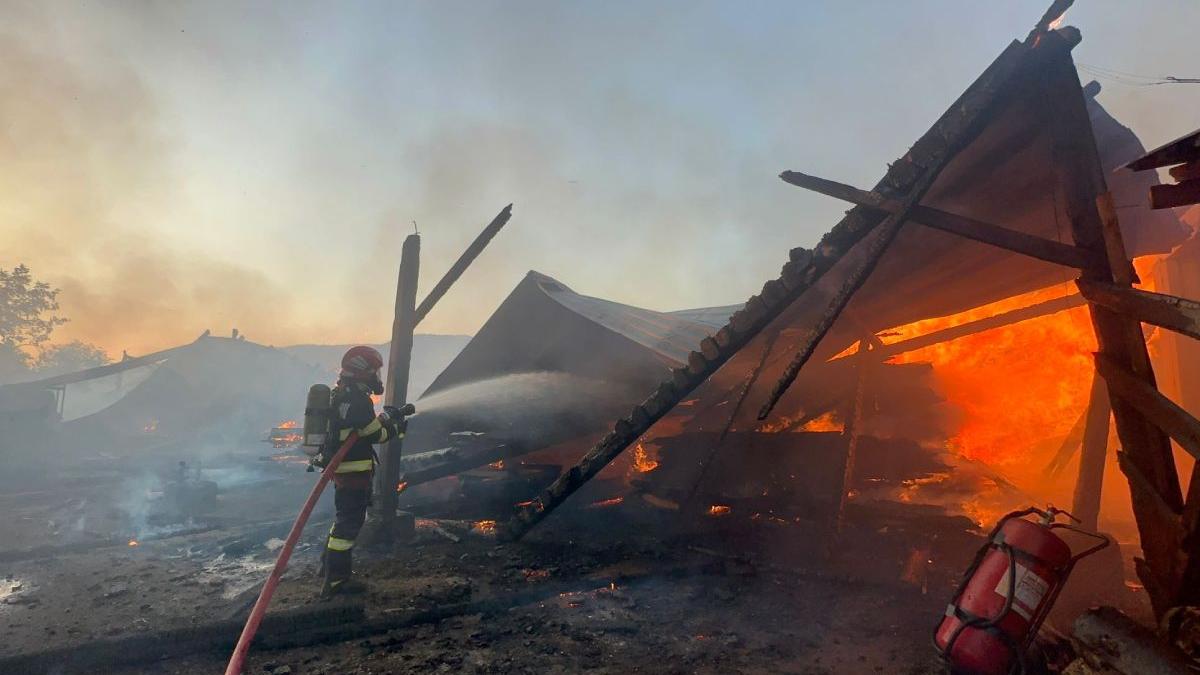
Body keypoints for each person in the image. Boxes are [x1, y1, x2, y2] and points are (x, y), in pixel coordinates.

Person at [315, 345, 403, 598]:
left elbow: (363, 427)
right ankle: (336, 582)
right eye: (375, 370)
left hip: (345, 471)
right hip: (353, 473)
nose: (377, 376)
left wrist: (386, 418)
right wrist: (397, 430)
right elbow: (374, 433)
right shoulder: (357, 399)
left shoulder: (343, 393)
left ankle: (327, 568)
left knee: (343, 521)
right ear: (364, 370)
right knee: (348, 526)